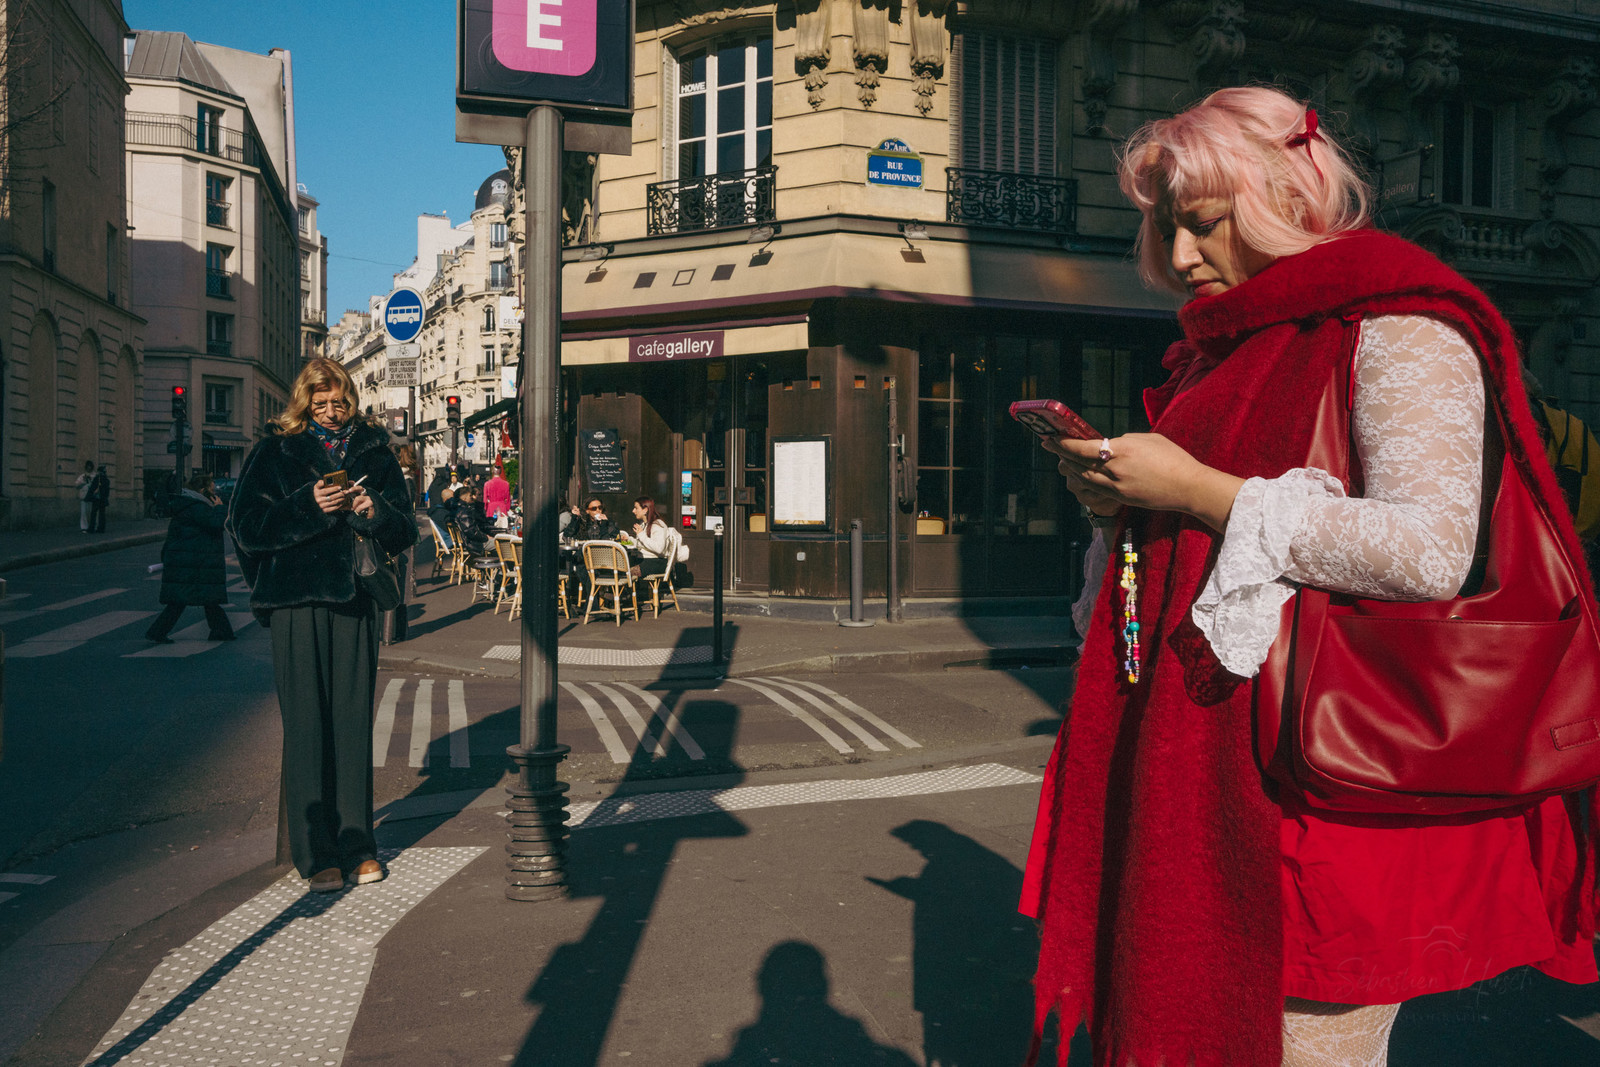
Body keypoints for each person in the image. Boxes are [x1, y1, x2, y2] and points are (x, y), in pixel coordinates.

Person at [1023, 86, 1599, 1067]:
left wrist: (1198, 489)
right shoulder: (1225, 348)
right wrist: (1122, 509)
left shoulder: (1402, 325)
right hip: (1219, 759)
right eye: (1164, 228)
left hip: (1328, 773)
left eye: (1199, 225)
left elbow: (1428, 550)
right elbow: (1168, 574)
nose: (1182, 256)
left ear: (1282, 197)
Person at [227, 357, 416, 894]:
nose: (332, 413)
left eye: (340, 402)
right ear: (304, 402)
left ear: (352, 400)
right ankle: (317, 856)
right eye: (321, 402)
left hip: (355, 602)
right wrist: (309, 506)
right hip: (295, 603)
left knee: (353, 725)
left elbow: (403, 530)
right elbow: (246, 528)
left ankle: (358, 845)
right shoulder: (275, 450)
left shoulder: (375, 452)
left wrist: (370, 508)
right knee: (307, 725)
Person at [145, 474, 234, 643]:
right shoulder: (197, 506)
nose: (215, 494)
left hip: (190, 561)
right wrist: (220, 508)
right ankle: (157, 632)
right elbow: (215, 524)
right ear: (203, 491)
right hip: (191, 562)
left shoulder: (191, 505)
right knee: (184, 600)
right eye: (212, 491)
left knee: (206, 599)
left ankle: (221, 631)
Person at [629, 496, 675, 579]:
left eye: (636, 508)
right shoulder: (644, 524)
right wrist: (628, 539)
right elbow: (641, 545)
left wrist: (641, 534)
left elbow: (659, 548)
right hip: (645, 560)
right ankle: (628, 591)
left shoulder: (658, 525)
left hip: (657, 562)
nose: (633, 511)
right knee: (621, 568)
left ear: (645, 510)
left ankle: (624, 591)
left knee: (627, 572)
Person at [87, 463, 110, 532]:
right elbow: (107, 491)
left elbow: (92, 488)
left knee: (93, 513)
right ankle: (101, 528)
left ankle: (91, 528)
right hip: (103, 499)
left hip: (97, 499)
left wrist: (89, 496)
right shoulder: (106, 480)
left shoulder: (97, 478)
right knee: (102, 514)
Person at [75, 461, 94, 533]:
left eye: (90, 466)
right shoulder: (82, 476)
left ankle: (91, 526)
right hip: (83, 497)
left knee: (91, 512)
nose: (89, 468)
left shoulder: (94, 476)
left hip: (91, 497)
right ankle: (84, 527)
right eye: (88, 466)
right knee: (83, 512)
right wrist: (83, 482)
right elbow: (76, 485)